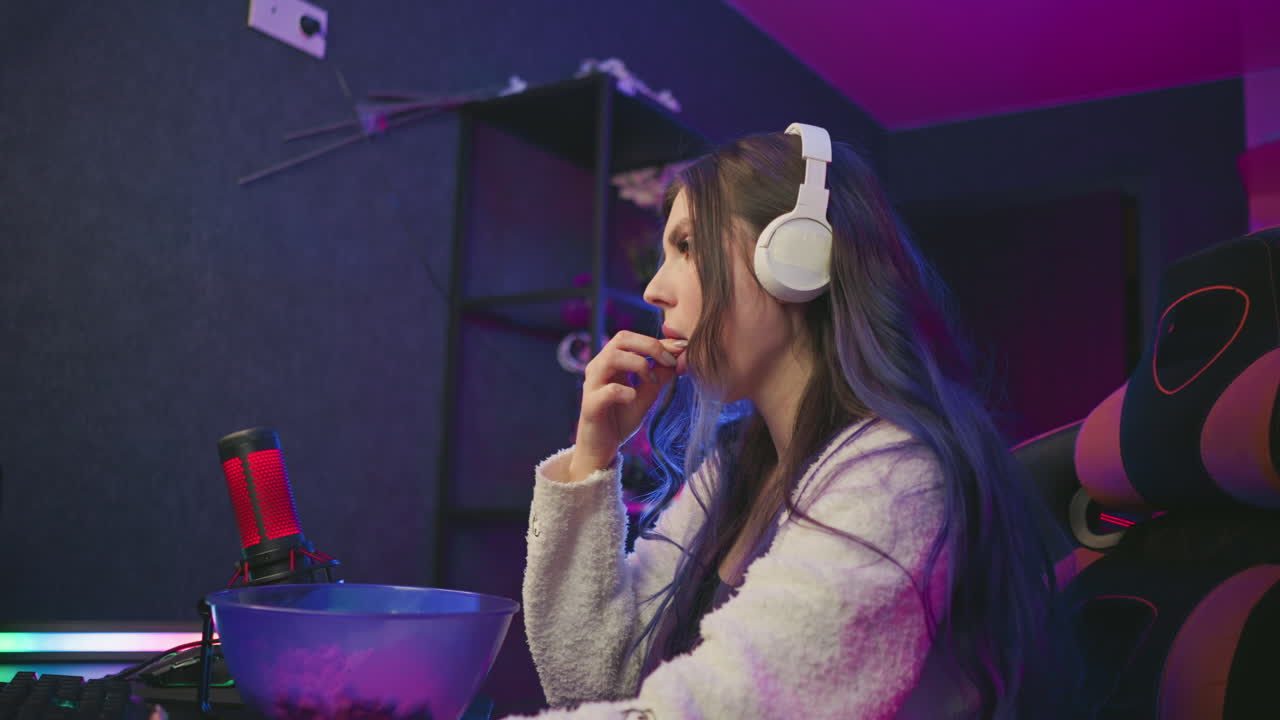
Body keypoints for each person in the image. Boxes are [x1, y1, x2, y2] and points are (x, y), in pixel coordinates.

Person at [510, 124, 1076, 719]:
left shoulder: (893, 477)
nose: (654, 289)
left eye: (687, 247)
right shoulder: (736, 468)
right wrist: (591, 457)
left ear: (794, 259)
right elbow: (592, 677)